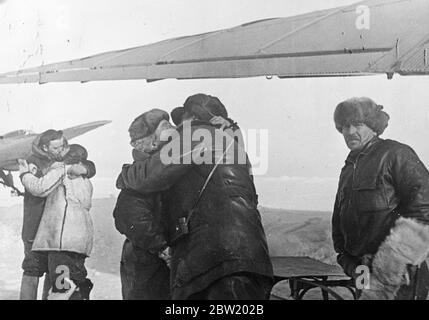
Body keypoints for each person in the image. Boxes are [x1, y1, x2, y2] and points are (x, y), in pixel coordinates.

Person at [117, 94, 274, 300]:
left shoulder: (198, 135)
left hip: (215, 264)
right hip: (251, 259)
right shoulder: (234, 147)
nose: (176, 129)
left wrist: (124, 175)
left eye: (180, 121)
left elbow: (149, 175)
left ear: (192, 118)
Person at [331, 97, 429, 300]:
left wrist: (393, 263)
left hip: (399, 274)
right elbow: (339, 222)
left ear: (373, 126)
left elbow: (424, 208)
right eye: (345, 126)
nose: (350, 132)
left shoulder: (396, 154)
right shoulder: (348, 168)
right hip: (361, 271)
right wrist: (348, 262)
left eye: (358, 124)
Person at [20, 129, 96, 300]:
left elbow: (39, 187)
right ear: (45, 147)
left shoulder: (62, 169)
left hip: (59, 238)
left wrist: (24, 174)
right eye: (57, 148)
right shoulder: (83, 178)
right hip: (73, 238)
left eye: (63, 147)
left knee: (60, 283)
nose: (61, 150)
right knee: (63, 277)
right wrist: (84, 168)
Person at [113, 109, 171, 300]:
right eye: (164, 130)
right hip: (145, 262)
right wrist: (162, 248)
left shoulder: (164, 168)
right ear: (145, 143)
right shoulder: (140, 175)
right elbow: (129, 216)